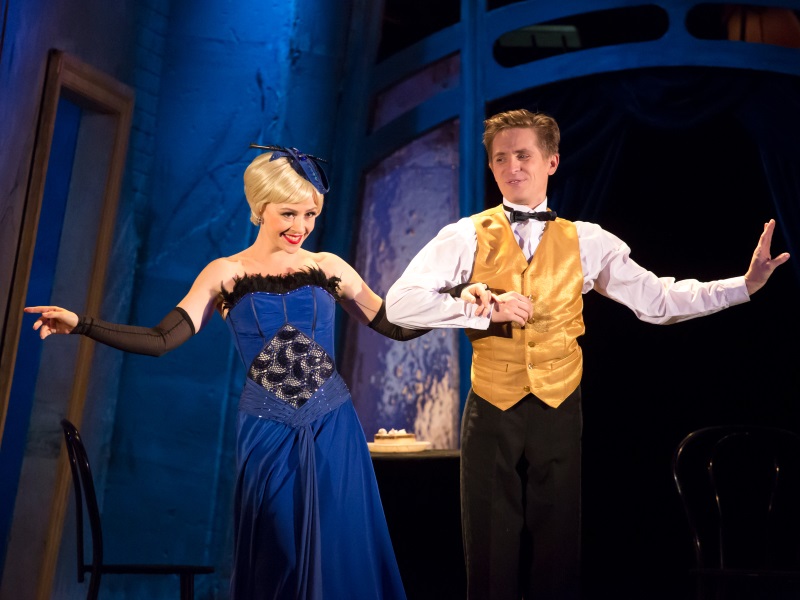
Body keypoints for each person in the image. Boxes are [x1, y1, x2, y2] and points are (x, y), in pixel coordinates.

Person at [384, 109, 791, 600]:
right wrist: (479, 310)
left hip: (559, 403)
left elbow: (658, 301)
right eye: (501, 158)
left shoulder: (587, 240)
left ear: (551, 162)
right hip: (491, 401)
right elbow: (400, 303)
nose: (512, 167)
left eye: (523, 155)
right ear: (490, 167)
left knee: (558, 549)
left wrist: (742, 287)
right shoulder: (465, 235)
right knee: (489, 547)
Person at [25, 145, 435, 600]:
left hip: (333, 426)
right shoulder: (225, 273)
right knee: (280, 553)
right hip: (268, 432)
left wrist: (463, 304)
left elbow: (395, 326)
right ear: (260, 208)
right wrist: (82, 324)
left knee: (341, 552)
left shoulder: (328, 266)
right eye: (288, 213)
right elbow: (162, 339)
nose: (300, 226)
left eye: (310, 214)